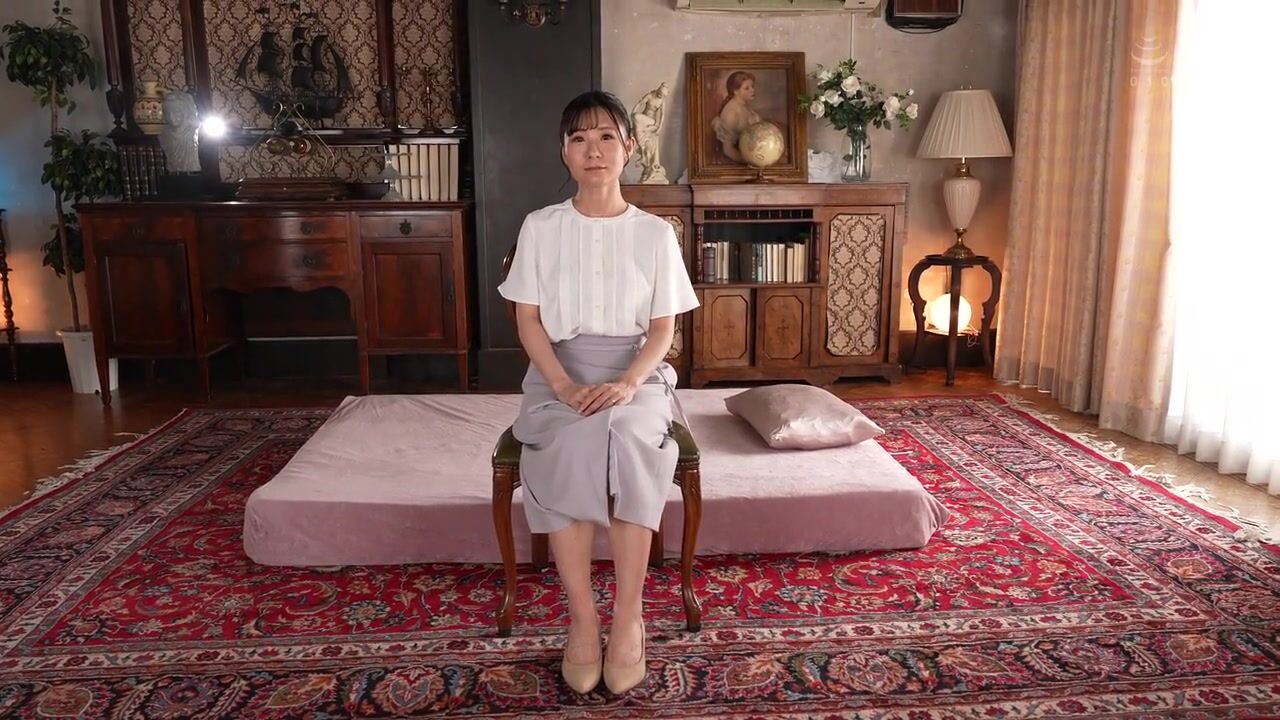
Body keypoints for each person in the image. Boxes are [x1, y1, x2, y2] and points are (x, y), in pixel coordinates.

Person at [497, 90, 699, 695]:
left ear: (628, 148)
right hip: (557, 371)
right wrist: (562, 384)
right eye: (580, 139)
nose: (594, 150)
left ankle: (629, 617)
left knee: (632, 440)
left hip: (635, 374)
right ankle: (583, 621)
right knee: (570, 442)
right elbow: (528, 319)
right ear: (564, 151)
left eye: (607, 136)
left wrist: (628, 382)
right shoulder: (541, 226)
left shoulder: (655, 234)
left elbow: (662, 330)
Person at [710, 71, 761, 163]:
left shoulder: (744, 106)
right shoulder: (731, 114)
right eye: (747, 88)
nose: (752, 90)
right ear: (736, 91)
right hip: (735, 162)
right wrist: (750, 162)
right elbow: (728, 150)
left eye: (752, 86)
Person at [630, 82, 670, 184]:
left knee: (637, 119)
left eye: (662, 95)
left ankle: (644, 156)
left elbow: (662, 116)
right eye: (660, 94)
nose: (660, 96)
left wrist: (659, 127)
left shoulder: (662, 101)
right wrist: (632, 113)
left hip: (651, 121)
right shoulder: (650, 95)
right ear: (658, 90)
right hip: (644, 119)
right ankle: (644, 155)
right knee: (636, 121)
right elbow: (640, 103)